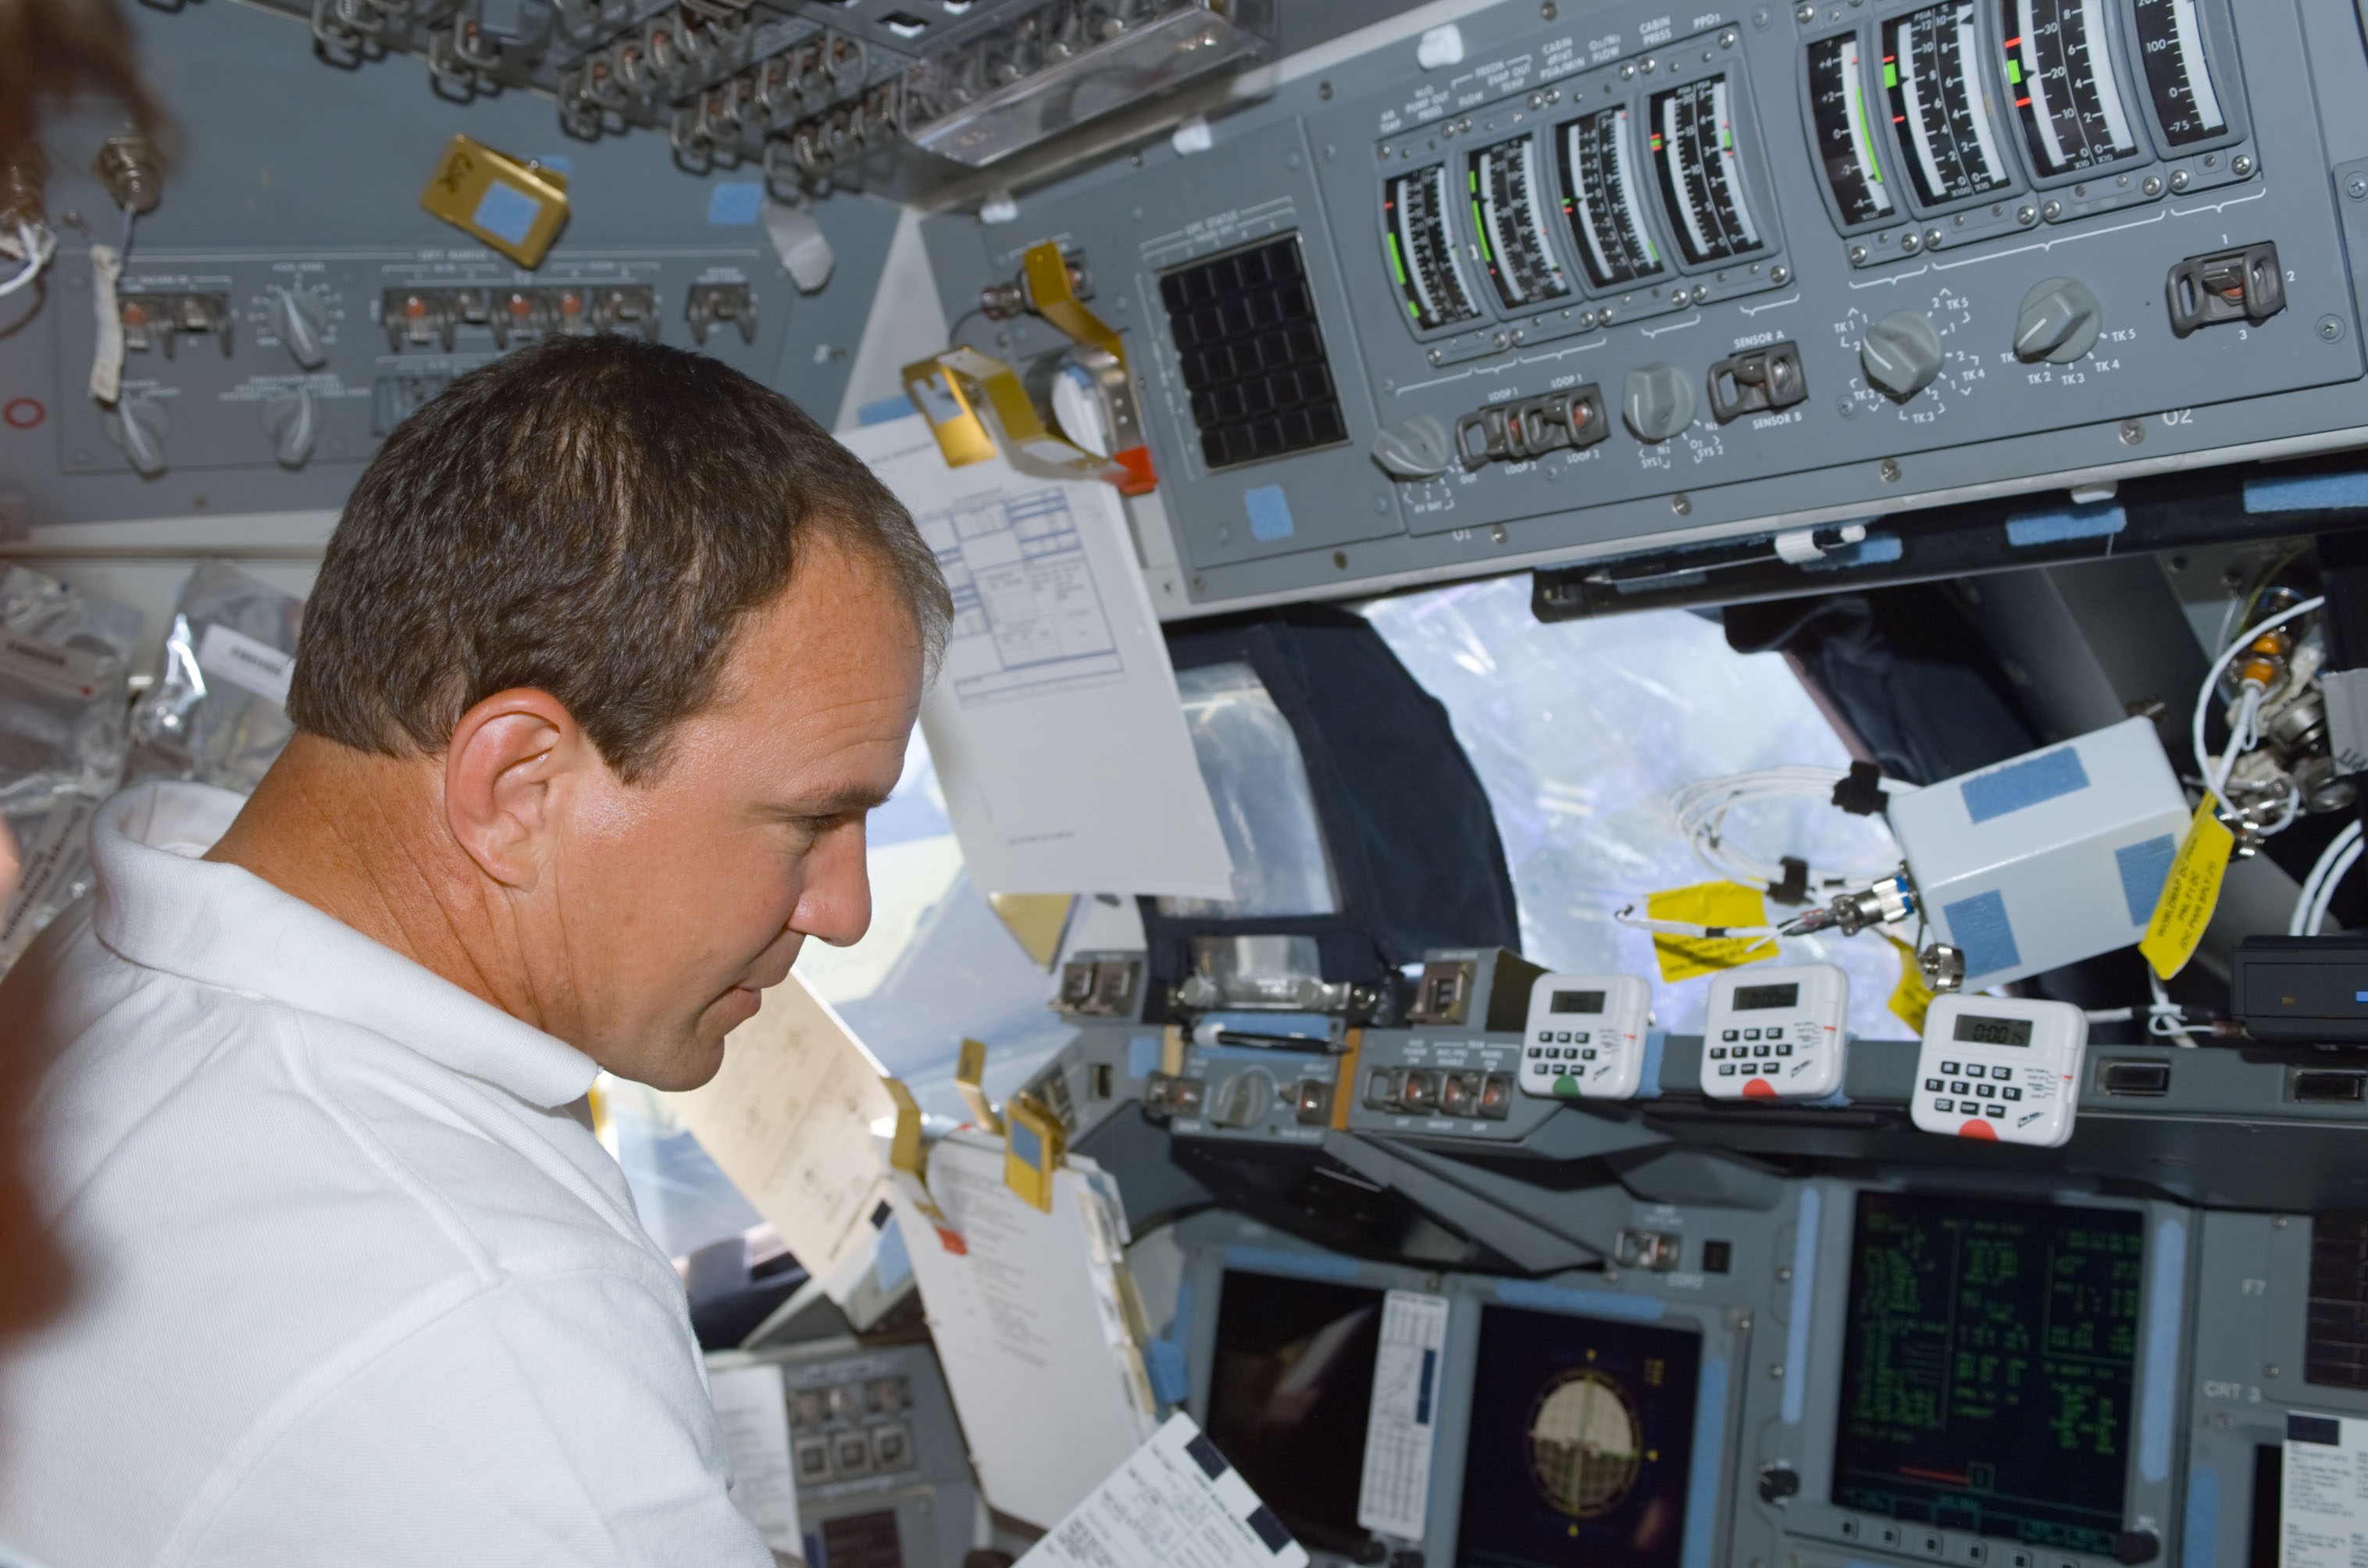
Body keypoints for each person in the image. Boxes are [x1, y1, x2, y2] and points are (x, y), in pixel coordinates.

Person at [0, 333, 952, 1565]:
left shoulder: (106, 954)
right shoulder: (493, 1328)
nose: (846, 908)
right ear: (515, 785)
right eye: (814, 819)